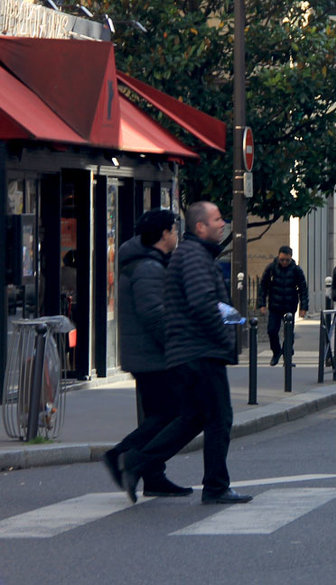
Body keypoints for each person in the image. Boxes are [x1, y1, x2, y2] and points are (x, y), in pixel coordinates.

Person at [120, 201, 252, 505]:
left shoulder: (194, 255)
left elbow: (212, 302)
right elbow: (203, 303)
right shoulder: (194, 257)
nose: (223, 224)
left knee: (192, 419)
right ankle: (216, 486)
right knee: (219, 418)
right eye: (217, 219)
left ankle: (136, 462)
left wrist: (237, 319)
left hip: (191, 350)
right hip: (200, 350)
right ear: (201, 227)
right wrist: (224, 339)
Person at [102, 209, 192, 498]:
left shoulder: (148, 262)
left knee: (160, 414)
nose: (176, 235)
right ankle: (122, 455)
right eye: (174, 230)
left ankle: (153, 476)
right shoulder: (148, 268)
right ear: (164, 234)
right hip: (153, 357)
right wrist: (179, 347)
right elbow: (154, 316)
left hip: (147, 355)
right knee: (173, 414)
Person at [258, 246, 308, 366]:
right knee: (271, 331)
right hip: (275, 305)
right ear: (278, 257)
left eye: (287, 260)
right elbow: (263, 286)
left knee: (289, 333)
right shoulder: (271, 268)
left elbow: (303, 289)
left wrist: (303, 307)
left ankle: (287, 358)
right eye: (282, 260)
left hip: (289, 305)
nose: (284, 262)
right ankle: (276, 352)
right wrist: (262, 304)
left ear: (291, 258)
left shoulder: (296, 270)